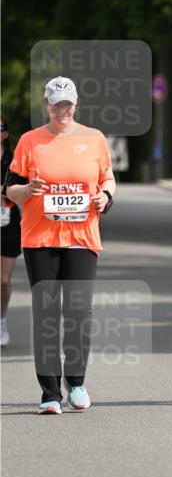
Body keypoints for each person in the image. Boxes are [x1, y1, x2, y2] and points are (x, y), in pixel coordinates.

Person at [5, 77, 116, 414]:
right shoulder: (30, 141)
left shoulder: (94, 139)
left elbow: (108, 178)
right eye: (56, 103)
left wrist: (106, 196)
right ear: (46, 105)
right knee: (47, 315)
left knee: (79, 313)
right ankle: (50, 393)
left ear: (76, 104)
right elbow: (9, 188)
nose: (62, 108)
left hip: (82, 240)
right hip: (41, 239)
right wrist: (26, 192)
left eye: (67, 103)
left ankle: (77, 382)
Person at [1, 118, 21, 346]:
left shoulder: (14, 159)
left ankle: (2, 319)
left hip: (8, 222)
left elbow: (21, 189)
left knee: (3, 280)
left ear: (5, 134)